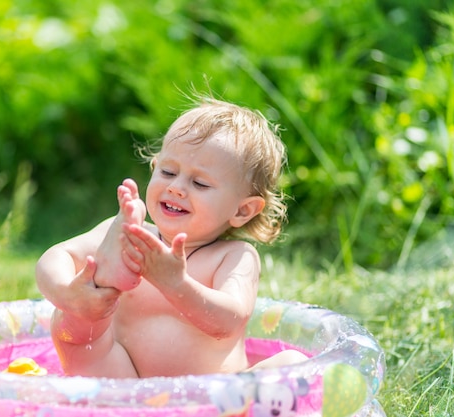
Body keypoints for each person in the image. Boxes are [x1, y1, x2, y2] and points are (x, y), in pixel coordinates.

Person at [35, 96, 308, 378]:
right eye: (168, 171)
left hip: (210, 400)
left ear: (242, 210)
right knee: (74, 325)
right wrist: (67, 294)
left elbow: (230, 320)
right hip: (121, 384)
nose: (176, 187)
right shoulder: (128, 234)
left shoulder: (234, 256)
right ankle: (102, 280)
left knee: (293, 365)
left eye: (199, 183)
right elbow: (55, 257)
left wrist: (177, 284)